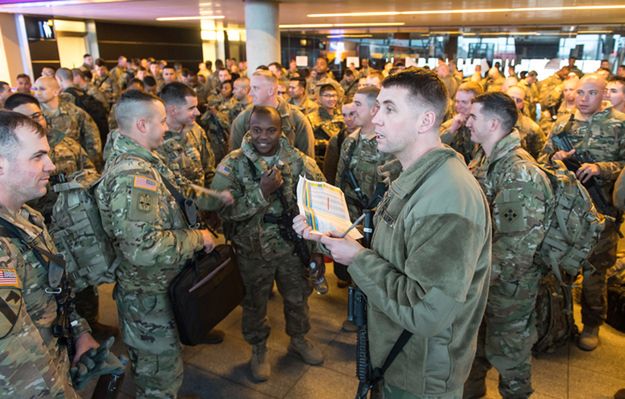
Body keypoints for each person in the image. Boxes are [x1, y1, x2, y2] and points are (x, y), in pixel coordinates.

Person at [293, 68, 492, 398]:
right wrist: (337, 237)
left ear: (425, 121)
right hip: (399, 359)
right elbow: (396, 255)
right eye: (378, 107)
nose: (376, 118)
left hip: (421, 376)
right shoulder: (418, 177)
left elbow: (425, 311)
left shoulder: (448, 199)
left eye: (389, 108)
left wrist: (356, 259)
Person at [95, 90, 231, 398]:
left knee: (165, 368)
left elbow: (179, 188)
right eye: (161, 121)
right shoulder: (133, 175)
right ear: (143, 125)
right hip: (147, 298)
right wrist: (199, 237)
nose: (167, 127)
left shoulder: (145, 159)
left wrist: (217, 199)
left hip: (162, 287)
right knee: (159, 378)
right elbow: (141, 247)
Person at [211, 106, 325, 383]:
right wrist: (261, 192)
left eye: (271, 130)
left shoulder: (300, 162)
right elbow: (223, 210)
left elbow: (321, 206)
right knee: (254, 303)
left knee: (298, 298)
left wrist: (319, 249)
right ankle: (258, 349)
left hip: (292, 249)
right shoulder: (234, 163)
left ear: (281, 131)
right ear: (249, 129)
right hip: (252, 250)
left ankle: (299, 339)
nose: (263, 136)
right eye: (257, 129)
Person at [0, 110, 98, 397]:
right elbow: (17, 362)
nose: (51, 165)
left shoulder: (27, 217)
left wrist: (78, 330)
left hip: (56, 361)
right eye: (37, 157)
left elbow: (55, 288)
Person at [464, 92, 552, 398]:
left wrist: (473, 278)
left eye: (473, 117)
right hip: (483, 278)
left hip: (508, 290)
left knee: (510, 360)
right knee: (473, 351)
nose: (466, 121)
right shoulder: (484, 157)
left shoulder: (519, 173)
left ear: (492, 123)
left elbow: (516, 252)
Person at [541, 73, 625, 351]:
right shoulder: (562, 125)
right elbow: (543, 160)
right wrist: (557, 159)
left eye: (592, 93)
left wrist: (602, 168)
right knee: (558, 269)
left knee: (594, 272)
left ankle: (592, 323)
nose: (584, 98)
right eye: (580, 93)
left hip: (602, 212)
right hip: (565, 211)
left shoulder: (619, 125)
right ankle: (558, 322)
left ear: (603, 95)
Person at [230, 70, 315, 158]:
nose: (250, 93)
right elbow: (234, 160)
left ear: (271, 90)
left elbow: (308, 161)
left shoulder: (296, 119)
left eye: (255, 88)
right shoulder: (243, 119)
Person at [34, 76, 103, 171]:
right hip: (45, 168)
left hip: (74, 167)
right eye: (35, 89)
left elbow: (93, 139)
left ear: (56, 91)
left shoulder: (75, 113)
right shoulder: (34, 116)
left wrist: (91, 165)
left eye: (42, 89)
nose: (37, 93)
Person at [158, 82, 215, 188]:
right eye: (191, 108)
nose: (197, 112)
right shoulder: (155, 138)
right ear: (173, 110)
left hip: (201, 200)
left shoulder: (196, 130)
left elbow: (209, 169)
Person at [440, 81, 484, 163]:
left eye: (464, 102)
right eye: (457, 101)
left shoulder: (486, 128)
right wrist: (451, 130)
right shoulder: (450, 126)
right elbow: (434, 150)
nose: (458, 106)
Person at [307, 83, 345, 170]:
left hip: (340, 161)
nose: (331, 99)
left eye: (334, 96)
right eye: (327, 96)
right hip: (320, 161)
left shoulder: (342, 116)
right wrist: (328, 144)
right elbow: (308, 142)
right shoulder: (311, 118)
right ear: (319, 98)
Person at [506, 86, 546, 159]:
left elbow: (542, 156)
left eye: (518, 100)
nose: (514, 103)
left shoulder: (532, 128)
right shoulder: (491, 121)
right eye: (511, 99)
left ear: (522, 104)